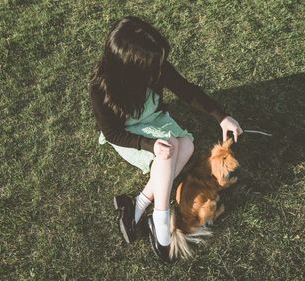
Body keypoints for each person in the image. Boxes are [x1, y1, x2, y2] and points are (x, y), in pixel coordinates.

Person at [89, 16, 243, 262]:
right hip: (129, 134)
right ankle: (159, 220)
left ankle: (138, 205)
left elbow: (186, 90)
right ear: (130, 68)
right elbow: (112, 134)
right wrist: (148, 145)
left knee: (188, 145)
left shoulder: (157, 68)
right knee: (169, 149)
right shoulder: (101, 89)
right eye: (154, 65)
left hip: (154, 120)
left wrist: (221, 116)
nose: (161, 69)